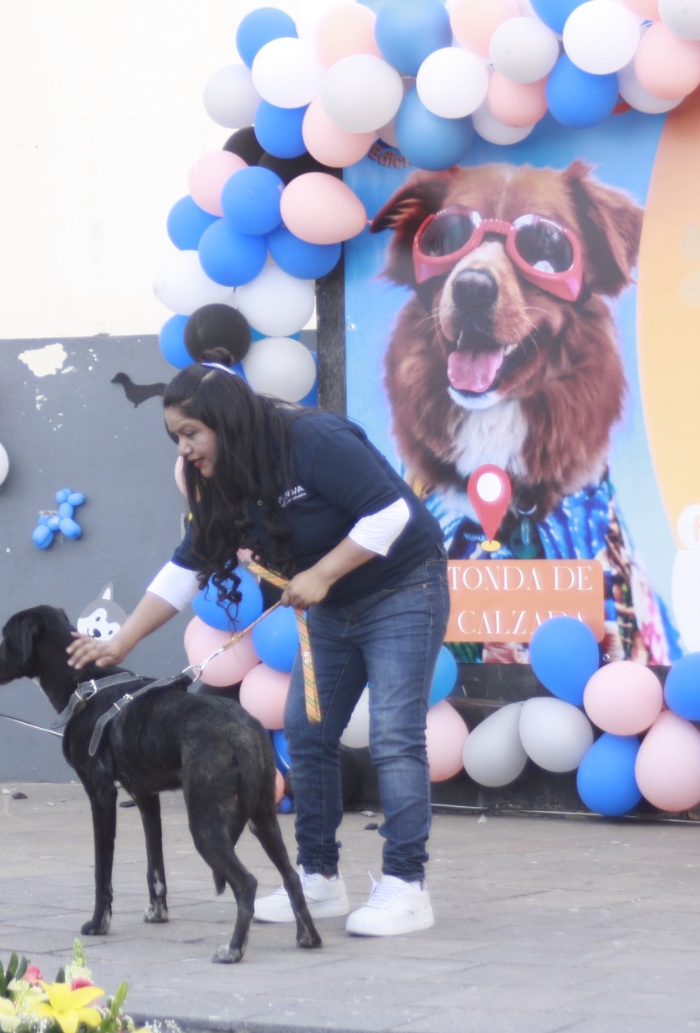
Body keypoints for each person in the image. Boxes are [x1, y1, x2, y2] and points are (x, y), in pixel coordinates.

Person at [67, 361, 449, 937]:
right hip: (329, 608)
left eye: (191, 432)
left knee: (394, 733)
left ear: (225, 419)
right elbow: (186, 567)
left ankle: (406, 886)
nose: (184, 448)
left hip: (403, 588)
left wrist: (322, 573)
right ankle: (318, 878)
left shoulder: (313, 440)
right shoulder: (219, 476)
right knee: (308, 732)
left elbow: (393, 512)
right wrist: (120, 640)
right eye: (175, 437)